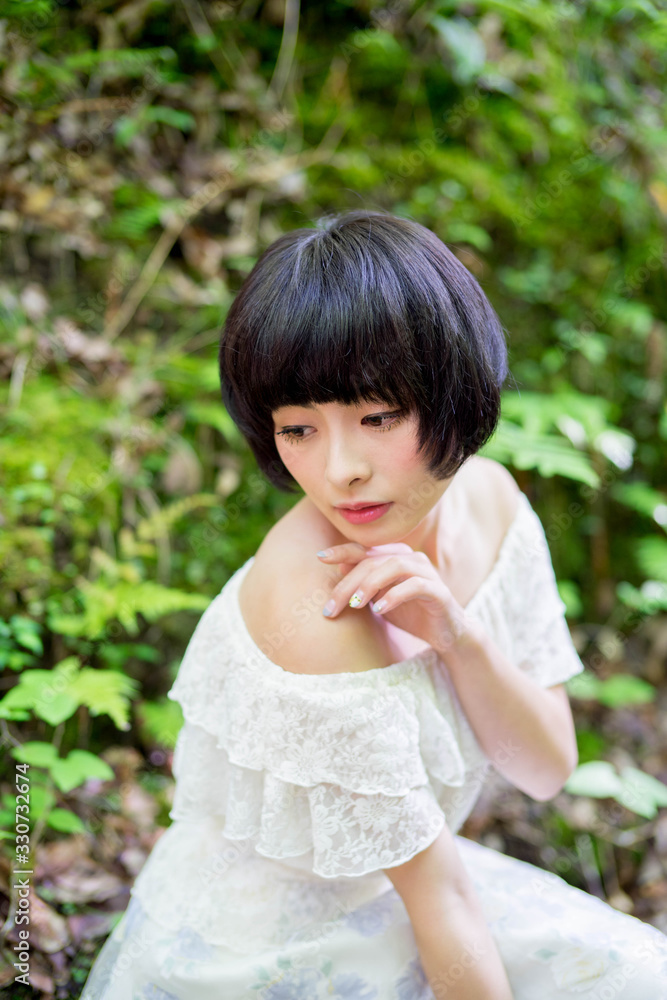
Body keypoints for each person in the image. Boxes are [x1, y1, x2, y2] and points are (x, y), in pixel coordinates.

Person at [80, 210, 667, 999]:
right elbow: (438, 899)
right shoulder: (314, 597)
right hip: (263, 949)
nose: (340, 470)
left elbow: (544, 769)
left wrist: (457, 638)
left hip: (403, 900)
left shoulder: (491, 500)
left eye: (377, 417)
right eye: (298, 429)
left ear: (451, 391)